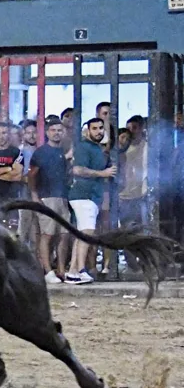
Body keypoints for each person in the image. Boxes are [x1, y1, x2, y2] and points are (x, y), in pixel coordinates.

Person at [65, 118, 116, 284]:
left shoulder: (97, 149)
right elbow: (78, 169)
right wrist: (104, 173)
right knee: (86, 233)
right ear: (87, 131)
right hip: (83, 195)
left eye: (101, 128)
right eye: (95, 128)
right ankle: (80, 270)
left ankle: (73, 272)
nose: (99, 131)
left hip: (91, 196)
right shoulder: (84, 147)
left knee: (82, 233)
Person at [28, 117, 72, 283]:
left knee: (64, 234)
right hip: (46, 197)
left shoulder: (64, 151)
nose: (56, 133)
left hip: (62, 197)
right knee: (47, 234)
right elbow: (32, 174)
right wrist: (34, 195)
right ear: (47, 133)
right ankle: (48, 271)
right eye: (53, 130)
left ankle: (61, 269)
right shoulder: (41, 152)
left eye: (59, 130)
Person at [118, 115, 149, 229]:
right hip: (123, 196)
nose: (130, 131)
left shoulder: (147, 146)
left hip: (141, 196)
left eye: (134, 128)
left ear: (141, 128)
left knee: (141, 228)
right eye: (128, 128)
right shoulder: (121, 148)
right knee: (125, 229)